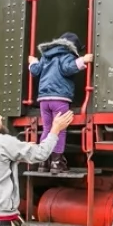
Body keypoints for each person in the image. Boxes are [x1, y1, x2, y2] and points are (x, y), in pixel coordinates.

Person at [28, 32, 93, 173]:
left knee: (47, 128)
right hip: (60, 98)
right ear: (72, 46)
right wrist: (83, 60)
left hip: (43, 100)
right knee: (60, 129)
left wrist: (33, 61)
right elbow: (68, 68)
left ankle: (43, 162)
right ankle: (57, 162)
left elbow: (35, 71)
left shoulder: (45, 56)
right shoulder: (67, 55)